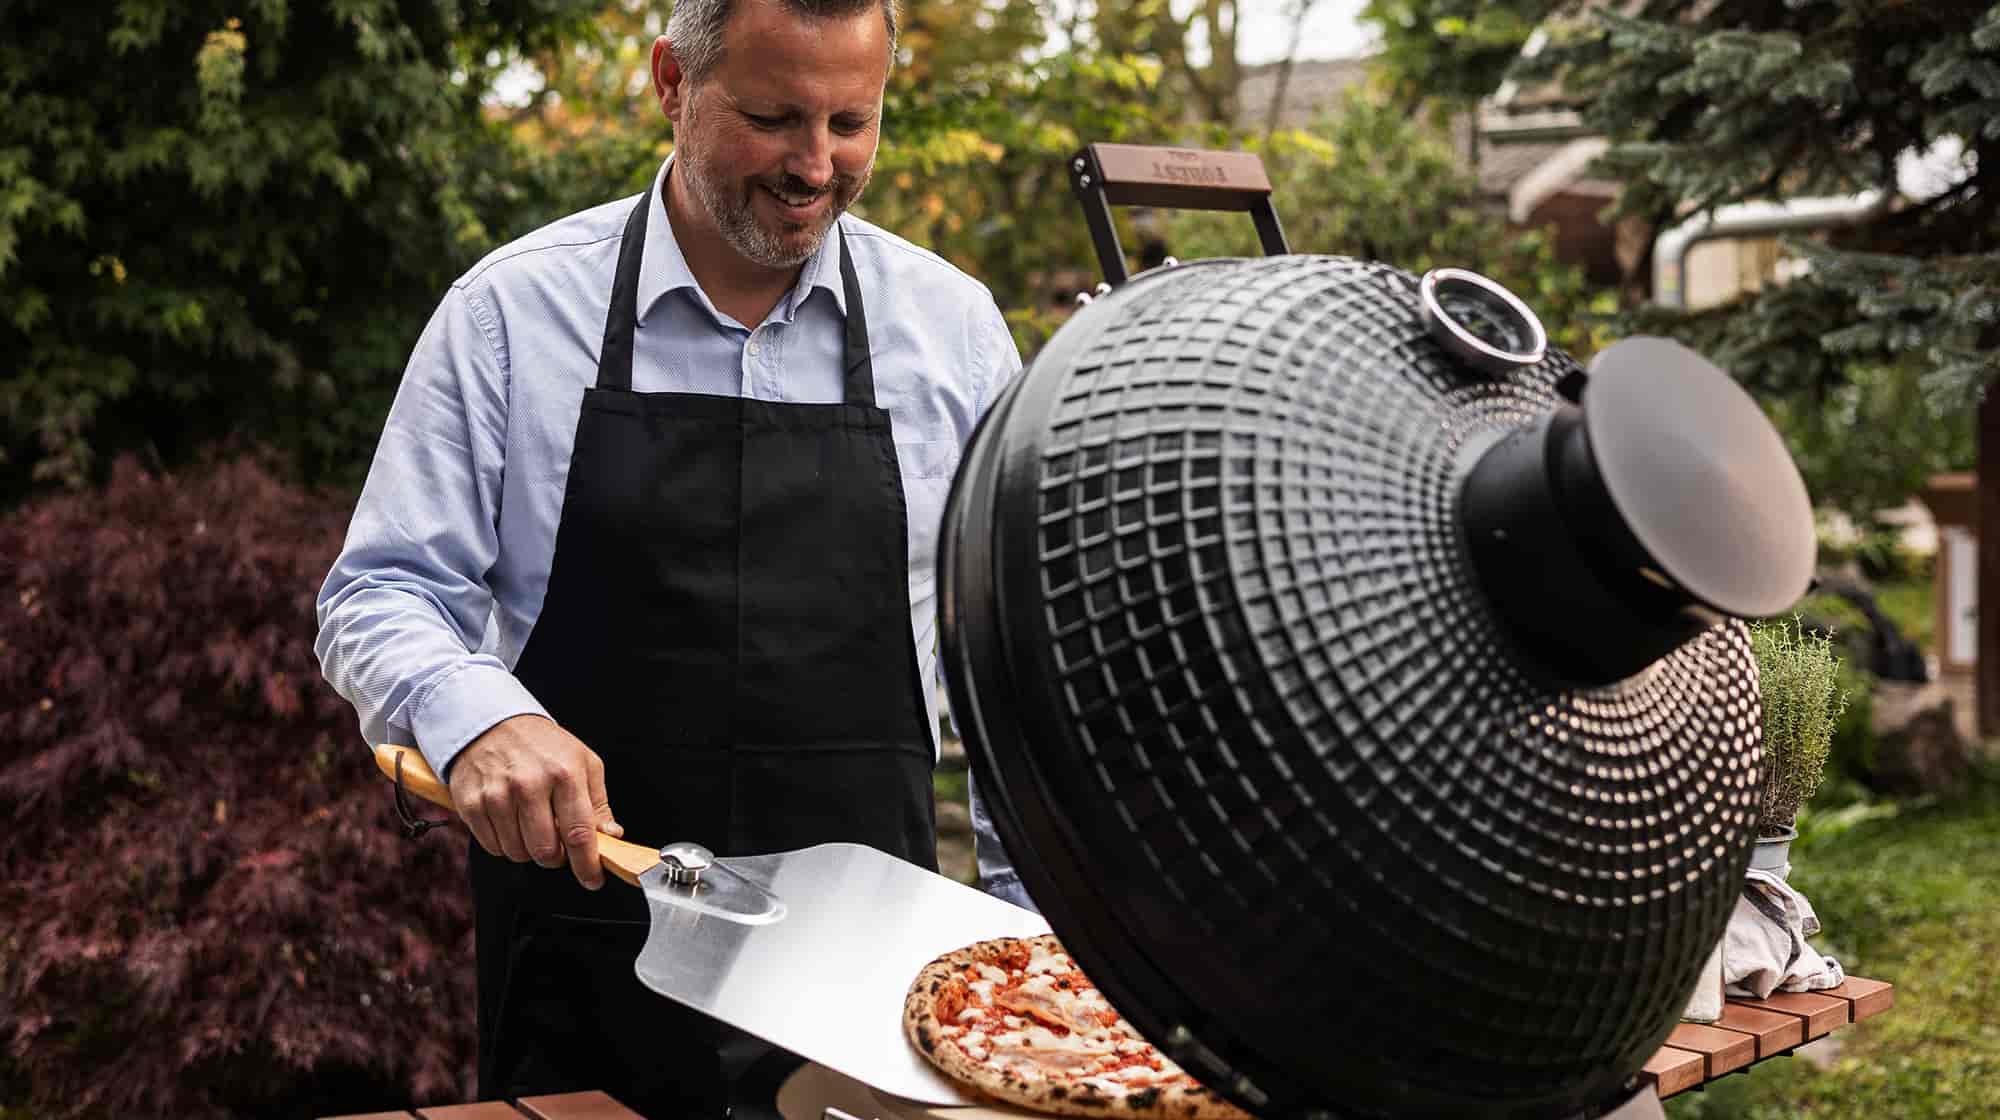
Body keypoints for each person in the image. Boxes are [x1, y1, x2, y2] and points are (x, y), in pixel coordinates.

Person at [313, 0, 1025, 1111]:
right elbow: (380, 591)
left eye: (852, 120)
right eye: (772, 116)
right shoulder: (509, 313)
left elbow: (1013, 672)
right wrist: (478, 714)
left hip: (870, 998)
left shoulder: (956, 334)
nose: (815, 165)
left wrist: (1039, 949)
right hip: (584, 960)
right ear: (669, 84)